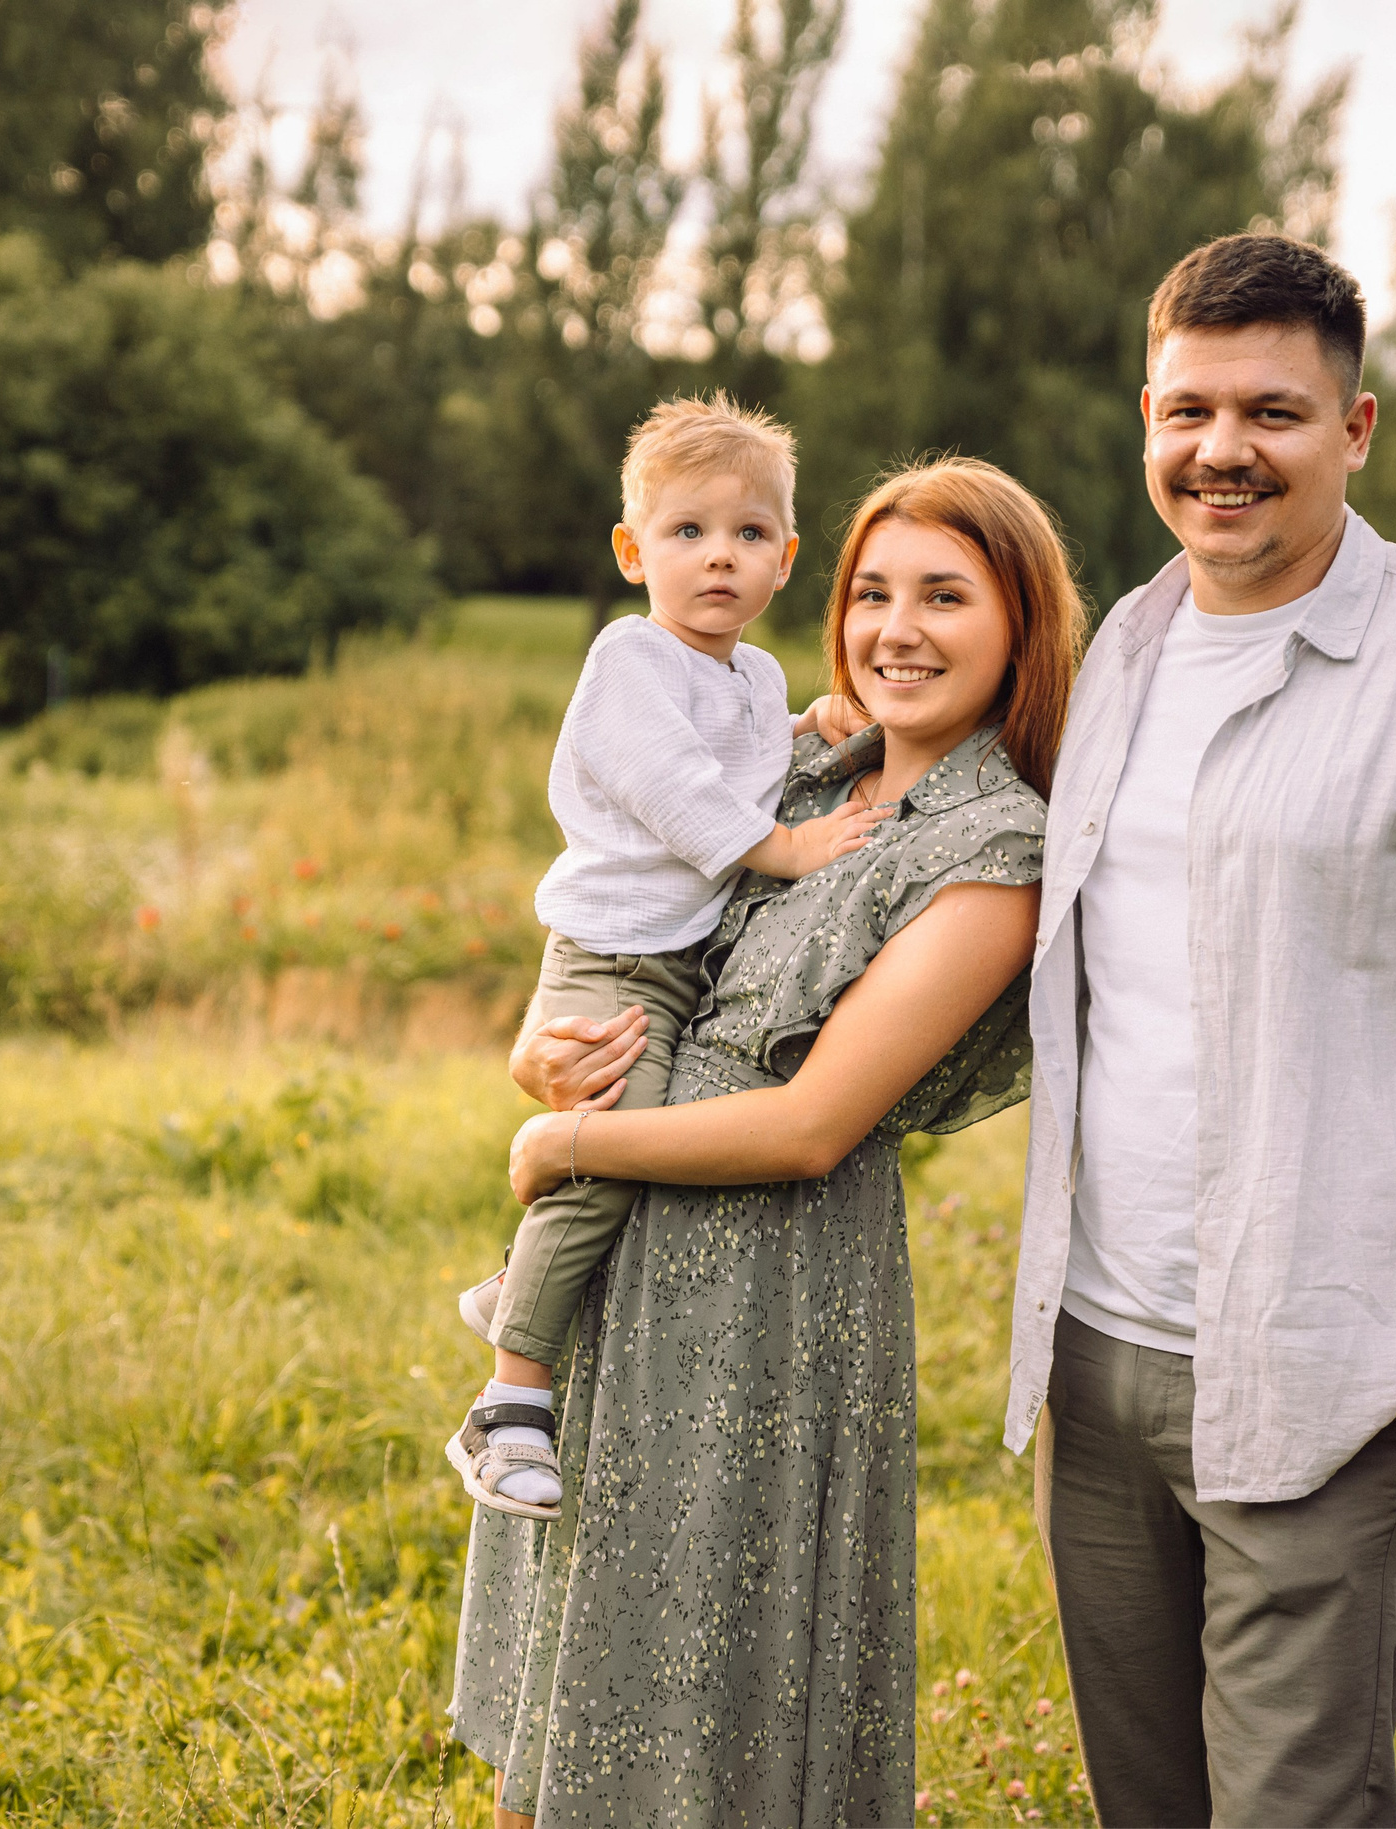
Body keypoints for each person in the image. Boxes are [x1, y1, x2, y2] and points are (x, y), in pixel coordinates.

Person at [1007, 233, 1396, 1826]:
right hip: (1093, 1358)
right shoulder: (1123, 656)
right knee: (1142, 1801)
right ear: (1146, 418)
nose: (1224, 452)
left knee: (1292, 1805)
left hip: (1330, 1365)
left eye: (1275, 414)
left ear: (1354, 431)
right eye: (1190, 411)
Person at [448, 458, 1084, 1826]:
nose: (898, 628)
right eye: (873, 593)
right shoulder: (794, 770)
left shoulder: (997, 854)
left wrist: (563, 1149)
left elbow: (808, 1127)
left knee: (709, 1691)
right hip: (618, 1268)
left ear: (1019, 626)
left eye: (946, 597)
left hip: (768, 1299)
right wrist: (536, 1054)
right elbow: (625, 941)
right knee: (566, 1689)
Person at [446, 394, 887, 1519]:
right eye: (686, 532)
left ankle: (521, 1286)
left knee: (626, 1148)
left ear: (786, 559)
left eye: (748, 535)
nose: (718, 559)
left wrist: (806, 732)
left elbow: (732, 759)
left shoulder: (749, 677)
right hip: (611, 957)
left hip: (674, 963)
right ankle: (507, 1406)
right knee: (610, 1151)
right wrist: (784, 846)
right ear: (632, 550)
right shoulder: (629, 657)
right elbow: (675, 788)